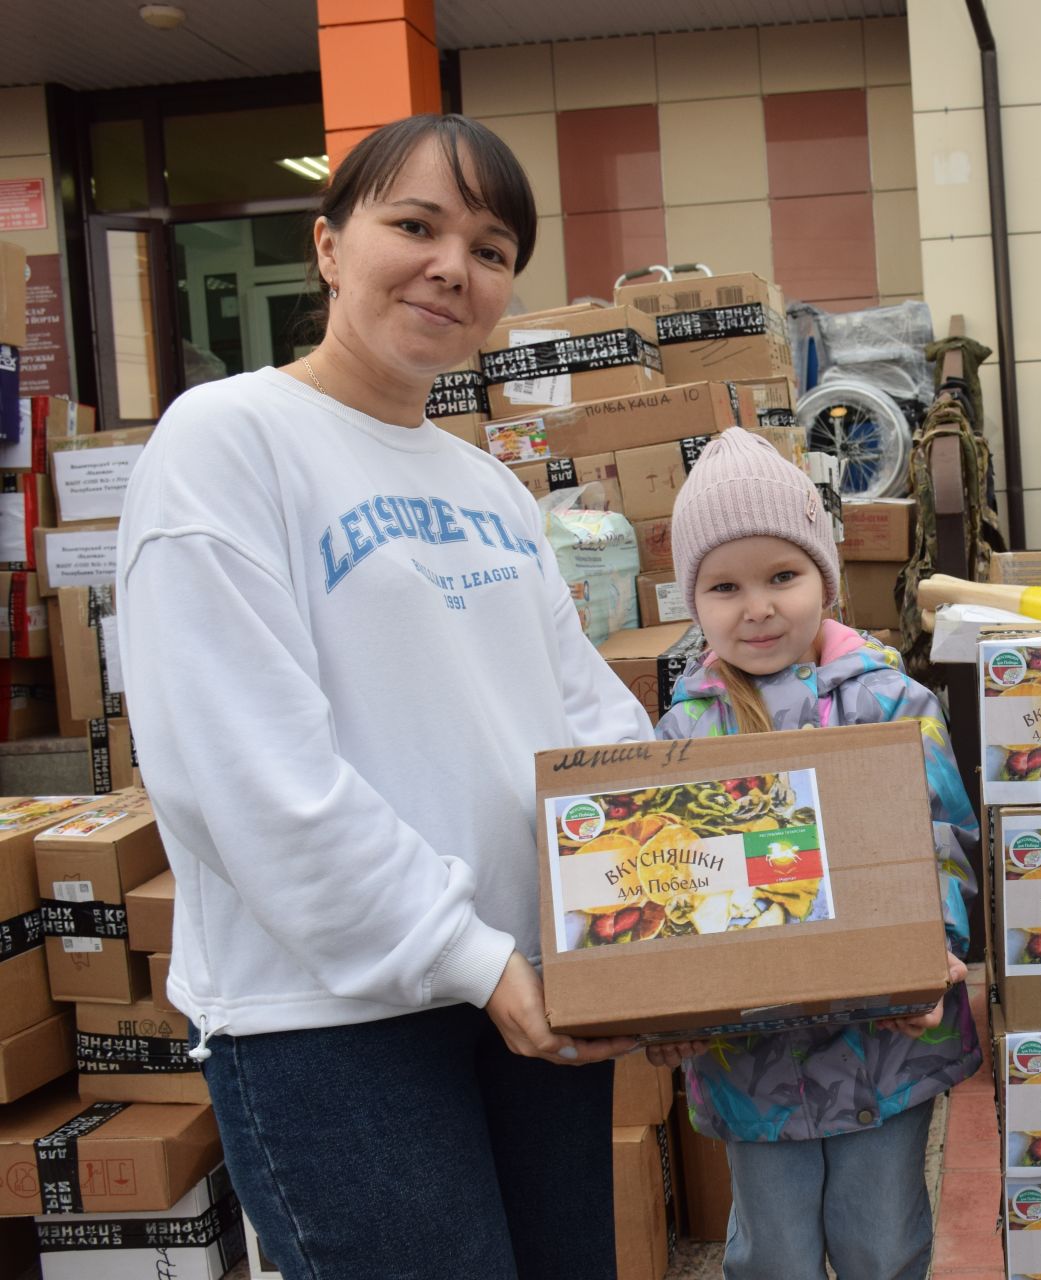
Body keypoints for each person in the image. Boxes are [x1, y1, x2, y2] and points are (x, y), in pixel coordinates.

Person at [115, 114, 651, 1280]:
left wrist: (683, 882)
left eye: (493, 248)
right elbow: (248, 772)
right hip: (332, 1020)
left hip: (534, 991)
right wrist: (469, 956)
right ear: (327, 244)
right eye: (414, 225)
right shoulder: (230, 440)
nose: (453, 266)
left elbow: (585, 713)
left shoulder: (486, 486)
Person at [645, 429, 981, 1280]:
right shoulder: (684, 733)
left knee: (882, 1239)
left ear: (824, 582)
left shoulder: (890, 701)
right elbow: (667, 884)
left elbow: (941, 833)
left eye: (781, 577)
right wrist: (665, 1005)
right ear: (695, 602)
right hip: (749, 1055)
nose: (756, 607)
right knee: (776, 1254)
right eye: (725, 587)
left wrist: (931, 957)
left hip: (885, 1042)